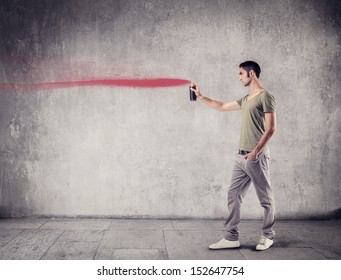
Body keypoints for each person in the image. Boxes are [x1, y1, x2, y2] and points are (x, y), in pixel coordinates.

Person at [190, 61, 276, 251]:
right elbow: (221, 106)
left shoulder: (266, 97)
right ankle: (231, 237)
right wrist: (201, 96)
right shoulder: (246, 99)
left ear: (251, 73)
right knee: (233, 194)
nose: (239, 77)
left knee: (265, 199)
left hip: (257, 156)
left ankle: (267, 236)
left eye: (240, 74)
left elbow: (271, 129)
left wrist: (256, 151)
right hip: (241, 157)